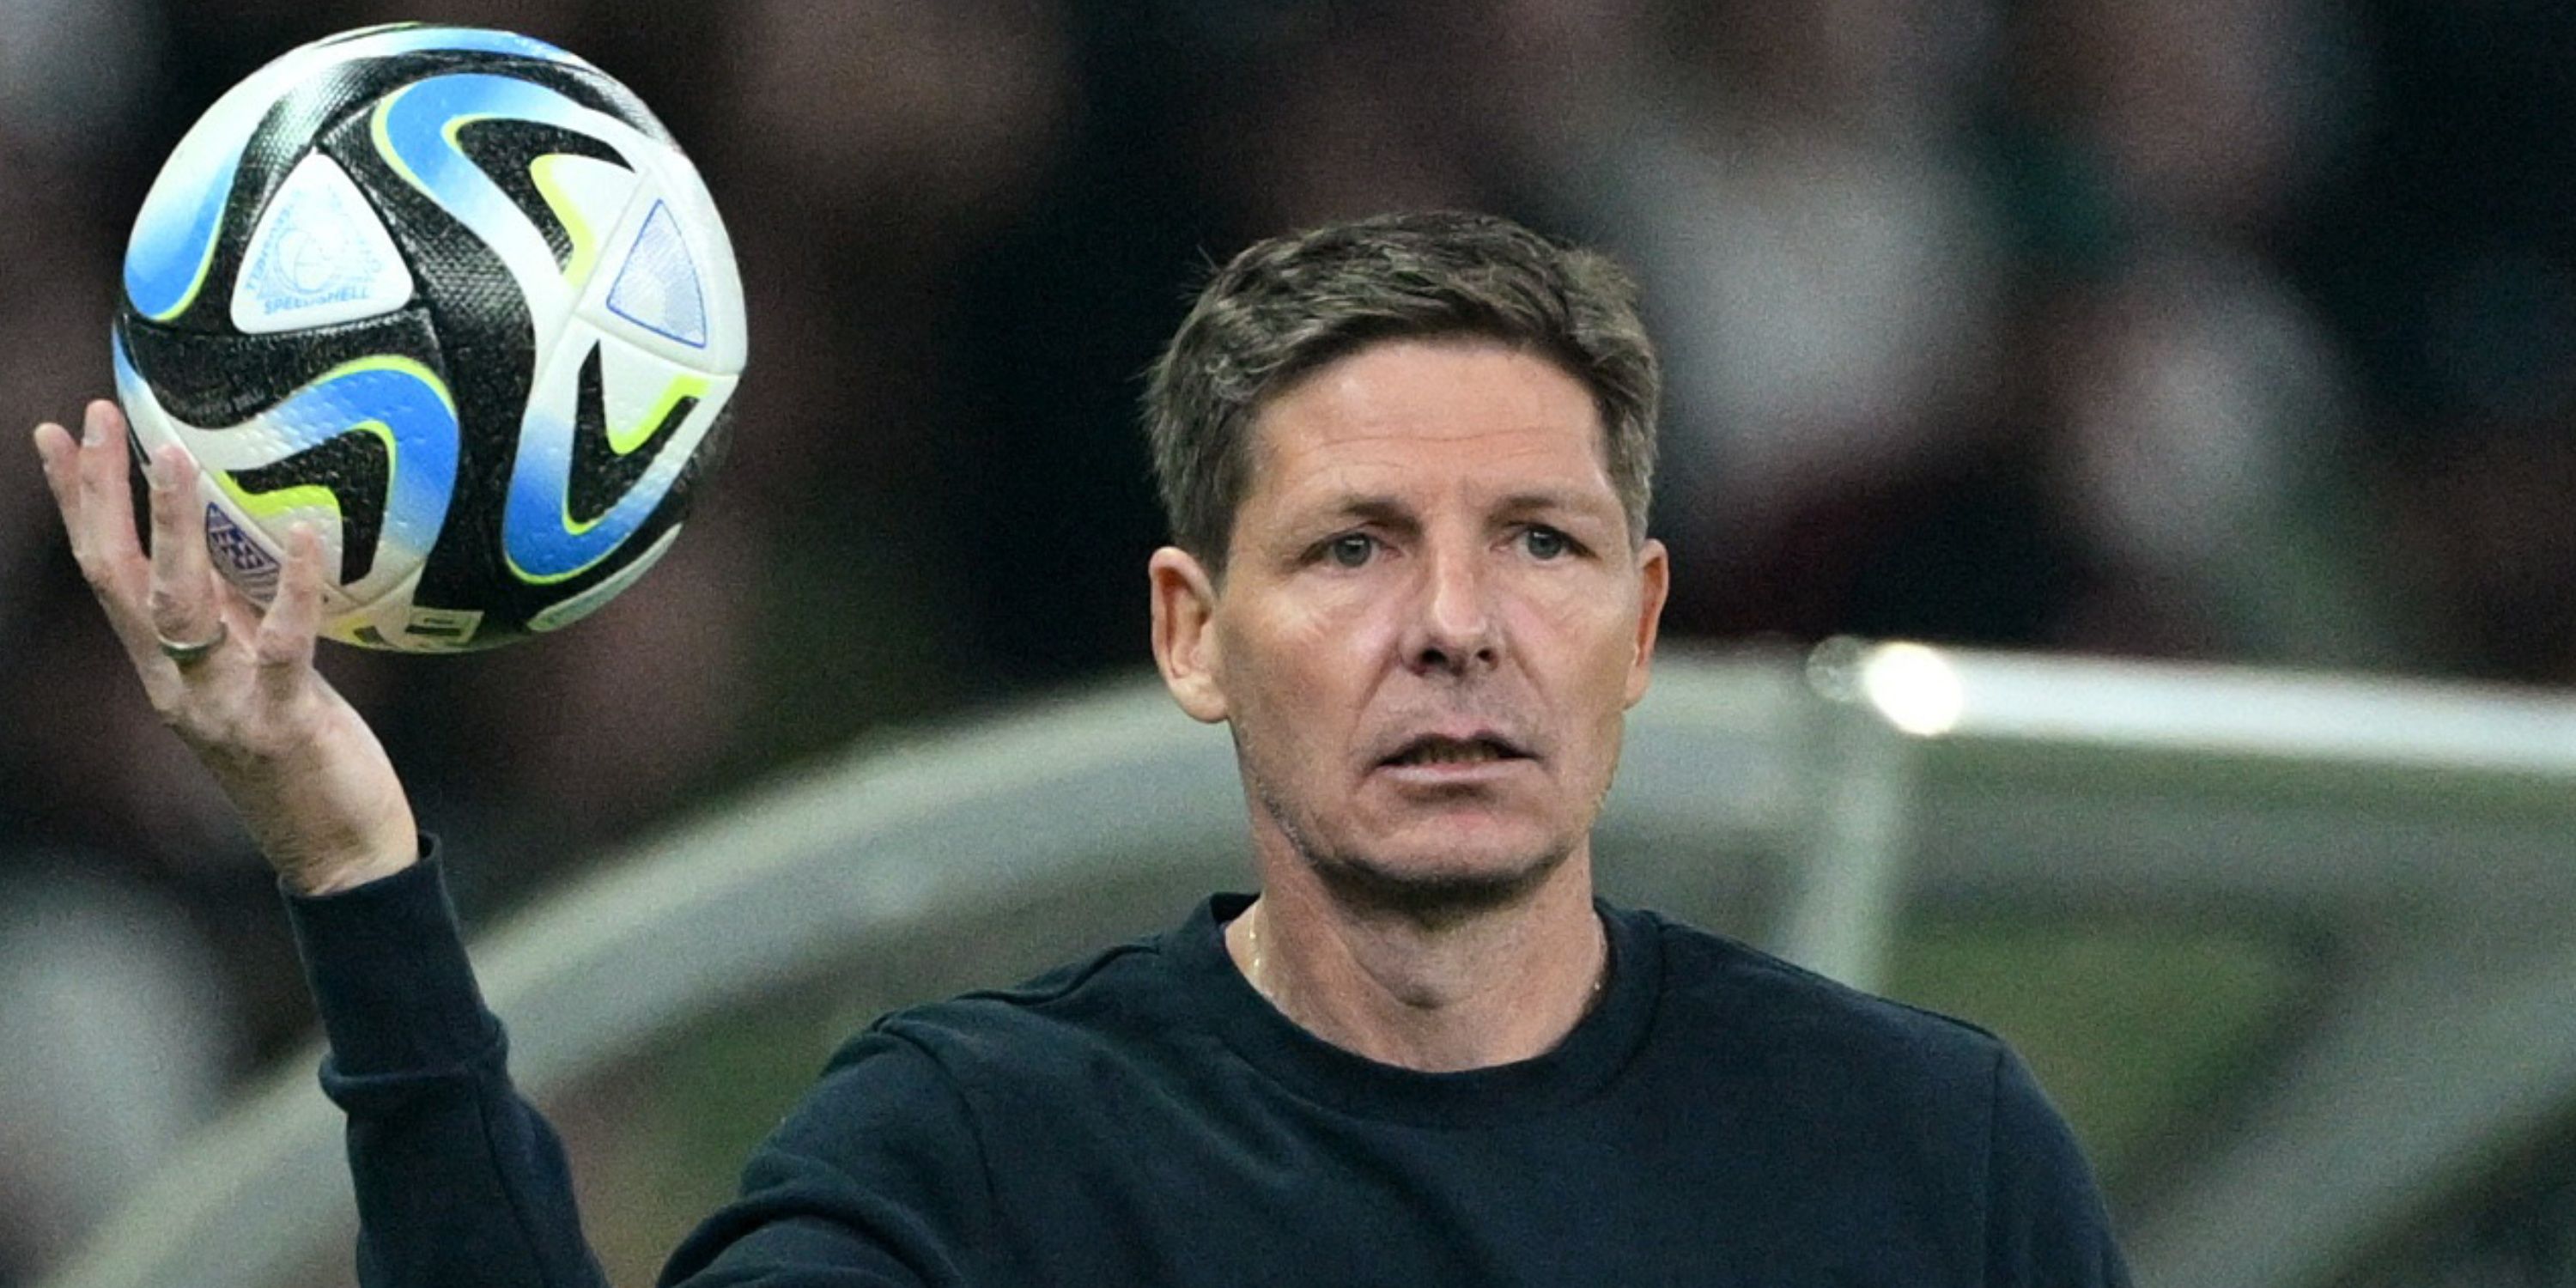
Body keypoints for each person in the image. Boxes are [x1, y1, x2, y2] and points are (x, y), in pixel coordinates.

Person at [32, 210, 2129, 1285]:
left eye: (1544, 545)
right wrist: (350, 858)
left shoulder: (1928, 1162)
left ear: (1646, 625)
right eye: (1356, 548)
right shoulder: (981, 1159)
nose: (1460, 625)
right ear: (1189, 636)